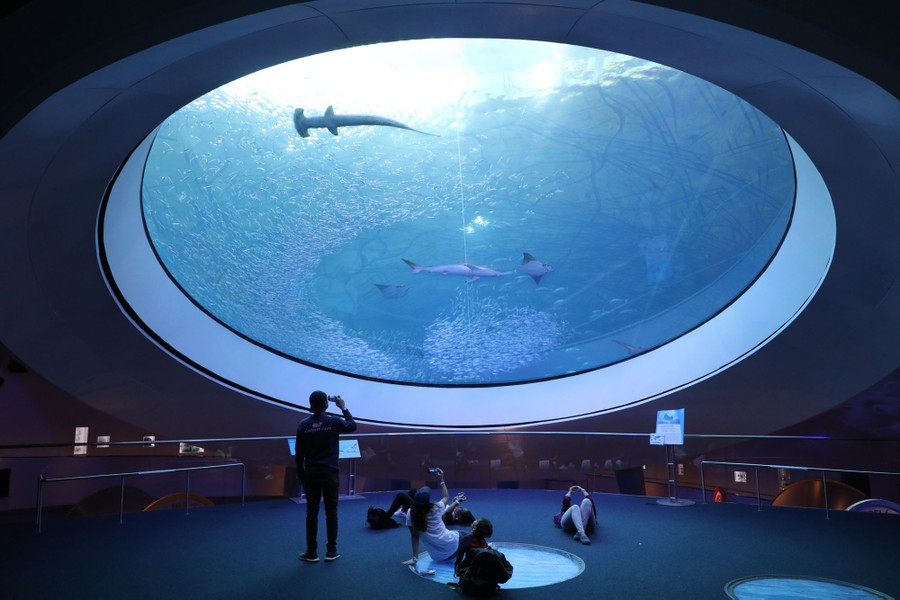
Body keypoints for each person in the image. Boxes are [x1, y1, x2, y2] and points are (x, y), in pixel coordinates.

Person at [296, 391, 357, 563]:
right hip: (330, 473)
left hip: (311, 474)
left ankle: (312, 552)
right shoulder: (333, 422)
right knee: (331, 512)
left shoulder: (303, 425)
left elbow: (299, 454)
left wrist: (301, 475)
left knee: (311, 512)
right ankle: (331, 551)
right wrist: (343, 408)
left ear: (311, 403)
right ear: (326, 404)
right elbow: (352, 426)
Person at [402, 468, 462, 565]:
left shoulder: (410, 513)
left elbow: (414, 537)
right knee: (465, 535)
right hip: (453, 547)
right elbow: (446, 496)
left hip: (437, 557)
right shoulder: (436, 508)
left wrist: (414, 559)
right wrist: (441, 479)